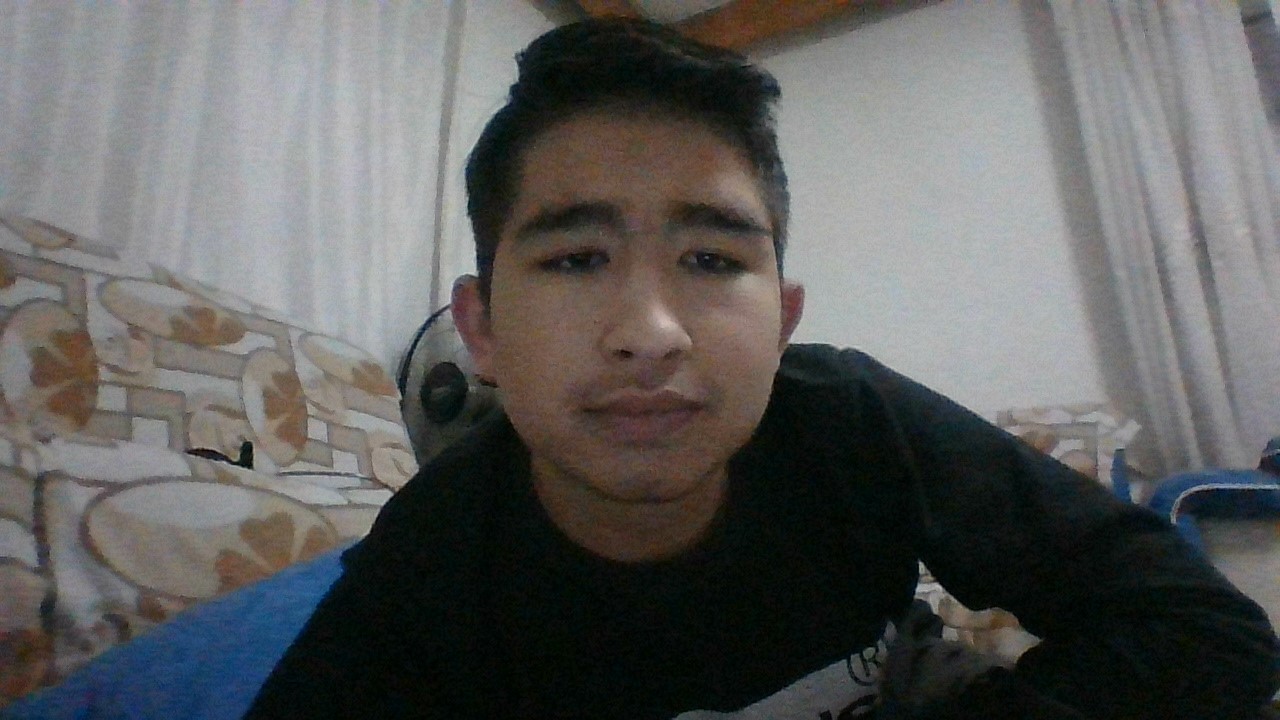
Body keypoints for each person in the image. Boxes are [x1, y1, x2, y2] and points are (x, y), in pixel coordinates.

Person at [246, 18, 1278, 719]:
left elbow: (1203, 633)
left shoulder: (854, 419)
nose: (650, 333)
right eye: (574, 259)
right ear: (480, 331)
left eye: (710, 260)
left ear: (782, 322)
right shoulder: (428, 570)